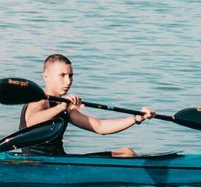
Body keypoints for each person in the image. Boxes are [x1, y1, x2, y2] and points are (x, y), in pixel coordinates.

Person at [15, 54, 156, 157]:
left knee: (127, 152)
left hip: (59, 160)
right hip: (37, 163)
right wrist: (61, 108)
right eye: (62, 75)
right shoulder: (39, 100)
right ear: (46, 76)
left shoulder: (64, 106)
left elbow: (100, 127)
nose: (68, 81)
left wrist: (135, 119)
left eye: (70, 75)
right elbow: (32, 122)